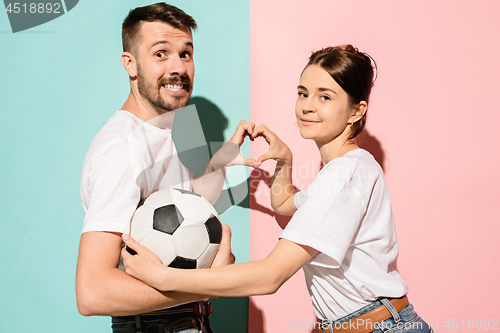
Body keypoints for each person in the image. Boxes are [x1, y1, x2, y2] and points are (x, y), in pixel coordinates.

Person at [121, 45, 434, 333]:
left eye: (325, 97)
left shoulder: (345, 174)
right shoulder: (341, 172)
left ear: (356, 111)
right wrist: (286, 161)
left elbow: (272, 276)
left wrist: (164, 278)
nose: (307, 107)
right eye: (303, 93)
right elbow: (285, 204)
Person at [76, 3, 256, 333]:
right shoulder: (122, 149)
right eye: (161, 54)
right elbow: (92, 291)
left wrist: (218, 163)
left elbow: (173, 213)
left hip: (186, 320)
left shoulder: (166, 133)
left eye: (185, 54)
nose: (177, 68)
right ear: (130, 64)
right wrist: (212, 282)